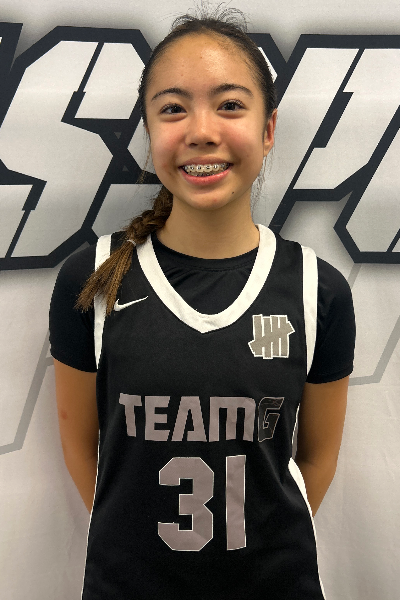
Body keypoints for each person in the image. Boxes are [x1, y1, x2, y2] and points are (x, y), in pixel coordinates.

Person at [50, 7, 356, 600]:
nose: (201, 131)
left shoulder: (318, 290)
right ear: (149, 131)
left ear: (269, 129)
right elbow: (85, 453)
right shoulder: (90, 279)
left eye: (230, 104)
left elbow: (315, 463)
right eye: (173, 109)